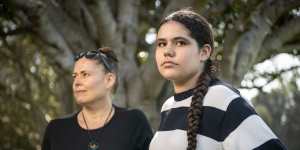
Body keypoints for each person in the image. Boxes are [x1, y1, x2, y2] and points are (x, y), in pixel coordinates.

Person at [149, 9, 287, 150]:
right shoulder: (168, 106)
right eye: (161, 44)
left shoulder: (222, 99)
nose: (167, 51)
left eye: (180, 42)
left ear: (204, 52)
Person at [42, 47, 153, 150]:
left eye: (85, 74)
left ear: (109, 80)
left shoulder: (134, 121)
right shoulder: (56, 130)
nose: (76, 82)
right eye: (75, 76)